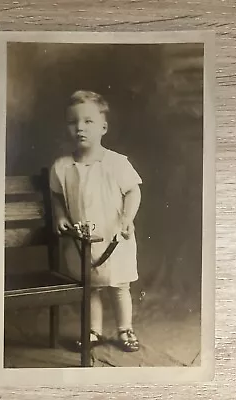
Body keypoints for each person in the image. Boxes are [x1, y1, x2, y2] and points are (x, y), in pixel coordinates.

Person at [50, 90, 142, 352]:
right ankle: (94, 330)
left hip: (115, 237)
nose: (80, 128)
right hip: (82, 242)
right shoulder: (62, 167)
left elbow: (133, 190)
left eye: (88, 122)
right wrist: (60, 215)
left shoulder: (116, 163)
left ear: (103, 127)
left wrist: (127, 218)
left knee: (119, 285)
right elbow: (56, 195)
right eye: (73, 122)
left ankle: (125, 328)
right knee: (89, 288)